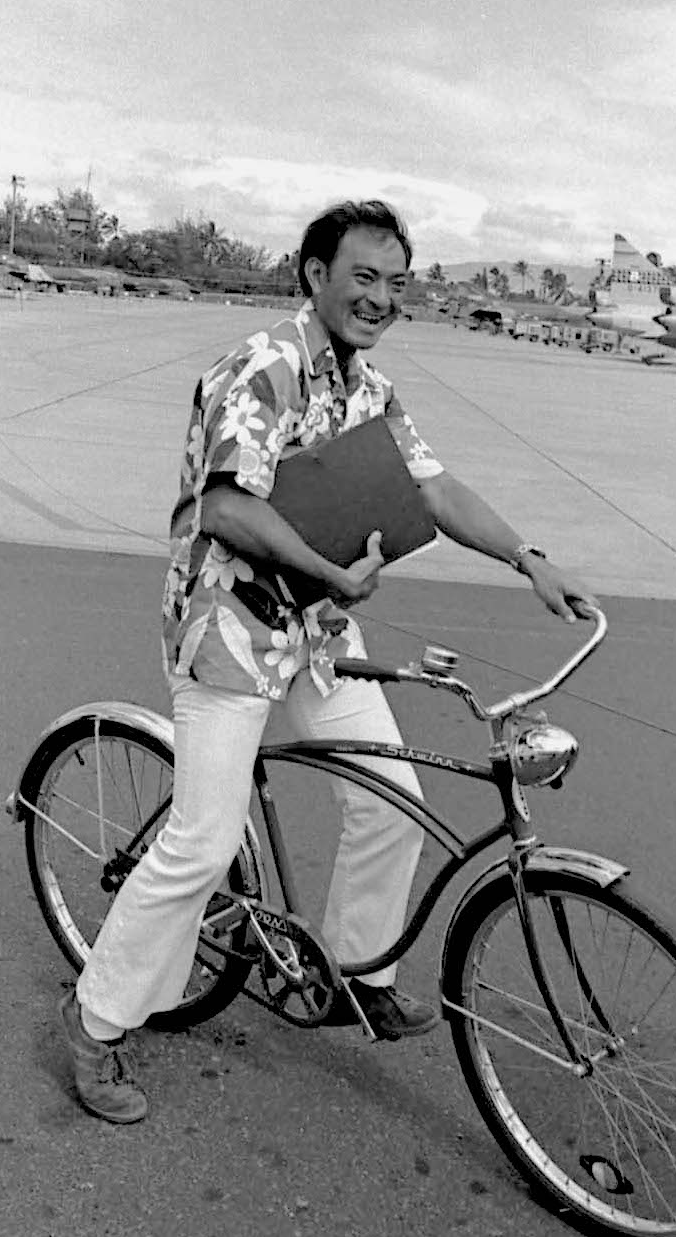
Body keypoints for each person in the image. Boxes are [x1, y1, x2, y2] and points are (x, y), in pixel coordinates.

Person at [61, 199, 598, 1123]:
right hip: (228, 626)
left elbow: (435, 485)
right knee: (203, 840)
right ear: (314, 275)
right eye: (364, 277)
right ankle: (96, 1019)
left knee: (392, 800)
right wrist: (328, 574)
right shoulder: (260, 367)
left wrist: (528, 559)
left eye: (396, 282)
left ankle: (360, 972)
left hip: (314, 631)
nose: (381, 297)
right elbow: (227, 506)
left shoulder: (371, 391)